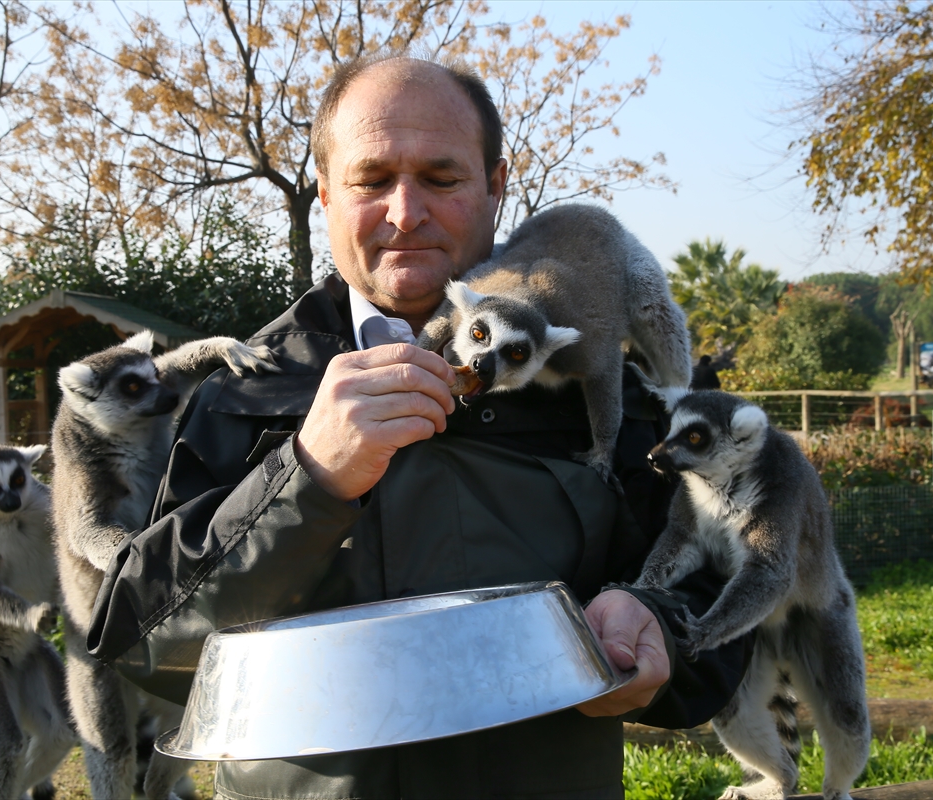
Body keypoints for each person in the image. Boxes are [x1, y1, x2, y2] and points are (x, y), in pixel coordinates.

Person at [87, 53, 752, 799]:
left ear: (497, 187)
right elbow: (145, 645)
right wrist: (307, 478)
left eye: (442, 178)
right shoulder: (244, 389)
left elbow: (732, 593)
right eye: (371, 180)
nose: (406, 213)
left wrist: (658, 627)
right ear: (327, 196)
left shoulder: (611, 385)